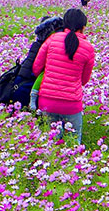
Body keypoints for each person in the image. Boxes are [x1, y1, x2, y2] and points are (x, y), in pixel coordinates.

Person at [32, 8, 95, 144]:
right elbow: (84, 80)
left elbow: (36, 68)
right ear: (83, 27)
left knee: (49, 142)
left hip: (47, 101)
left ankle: (49, 164)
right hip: (71, 103)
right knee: (73, 143)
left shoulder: (52, 40)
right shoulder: (88, 48)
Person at [23, 15, 65, 111]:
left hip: (41, 85)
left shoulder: (41, 43)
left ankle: (33, 98)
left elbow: (36, 67)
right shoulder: (61, 40)